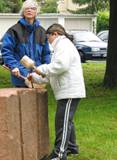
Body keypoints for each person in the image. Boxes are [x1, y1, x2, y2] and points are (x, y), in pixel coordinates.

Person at [28, 23, 86, 160]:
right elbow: (52, 73)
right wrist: (35, 77)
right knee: (66, 120)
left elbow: (60, 66)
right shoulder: (61, 47)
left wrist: (41, 69)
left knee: (62, 122)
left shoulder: (63, 45)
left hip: (70, 90)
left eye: (48, 38)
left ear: (55, 34)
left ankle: (60, 154)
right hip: (67, 90)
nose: (48, 42)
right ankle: (72, 148)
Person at [1, 0, 50, 87]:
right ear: (23, 12)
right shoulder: (14, 30)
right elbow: (6, 51)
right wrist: (14, 67)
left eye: (32, 8)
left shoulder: (42, 32)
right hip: (20, 77)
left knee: (38, 101)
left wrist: (45, 71)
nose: (29, 10)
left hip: (38, 78)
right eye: (26, 8)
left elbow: (46, 54)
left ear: (36, 12)